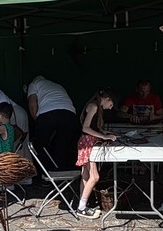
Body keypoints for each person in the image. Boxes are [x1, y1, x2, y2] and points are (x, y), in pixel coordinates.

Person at [75, 90, 117, 219]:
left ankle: (83, 203)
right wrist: (103, 136)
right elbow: (85, 128)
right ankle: (81, 208)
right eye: (111, 104)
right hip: (87, 143)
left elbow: (93, 127)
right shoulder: (93, 106)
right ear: (107, 99)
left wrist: (103, 132)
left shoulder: (95, 107)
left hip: (87, 142)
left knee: (86, 175)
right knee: (94, 177)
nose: (111, 107)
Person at [26, 75, 80, 171]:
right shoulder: (57, 85)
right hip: (69, 114)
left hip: (48, 113)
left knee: (41, 145)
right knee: (62, 146)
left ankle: (45, 173)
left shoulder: (34, 84)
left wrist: (38, 123)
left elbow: (32, 105)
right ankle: (62, 173)